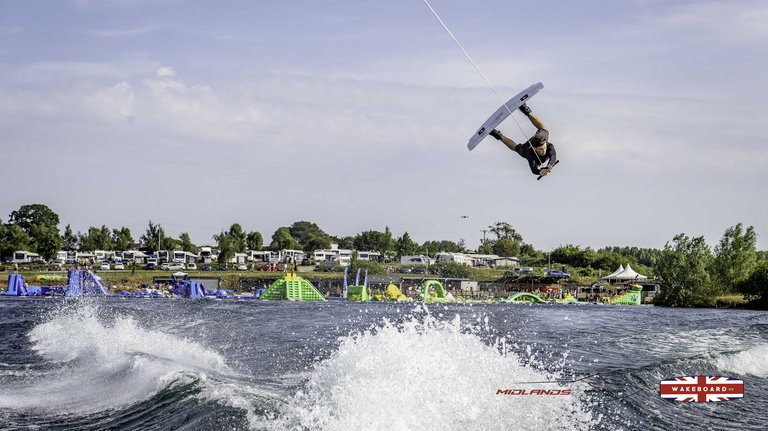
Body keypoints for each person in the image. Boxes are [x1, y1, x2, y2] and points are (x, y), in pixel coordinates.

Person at [488, 103, 557, 177]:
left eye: (544, 148)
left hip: (538, 138)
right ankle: (526, 110)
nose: (543, 151)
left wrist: (546, 167)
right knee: (519, 149)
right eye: (540, 149)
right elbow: (534, 169)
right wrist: (539, 171)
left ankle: (497, 134)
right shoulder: (530, 154)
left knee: (543, 131)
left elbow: (553, 156)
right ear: (535, 149)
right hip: (528, 148)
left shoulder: (549, 146)